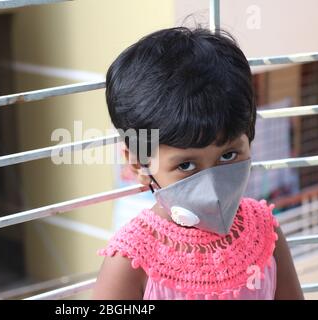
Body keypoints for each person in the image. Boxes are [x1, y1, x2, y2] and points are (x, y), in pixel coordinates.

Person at [92, 26, 304, 300]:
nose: (213, 187)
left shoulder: (265, 234)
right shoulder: (130, 263)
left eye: (228, 155)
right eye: (186, 166)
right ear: (138, 166)